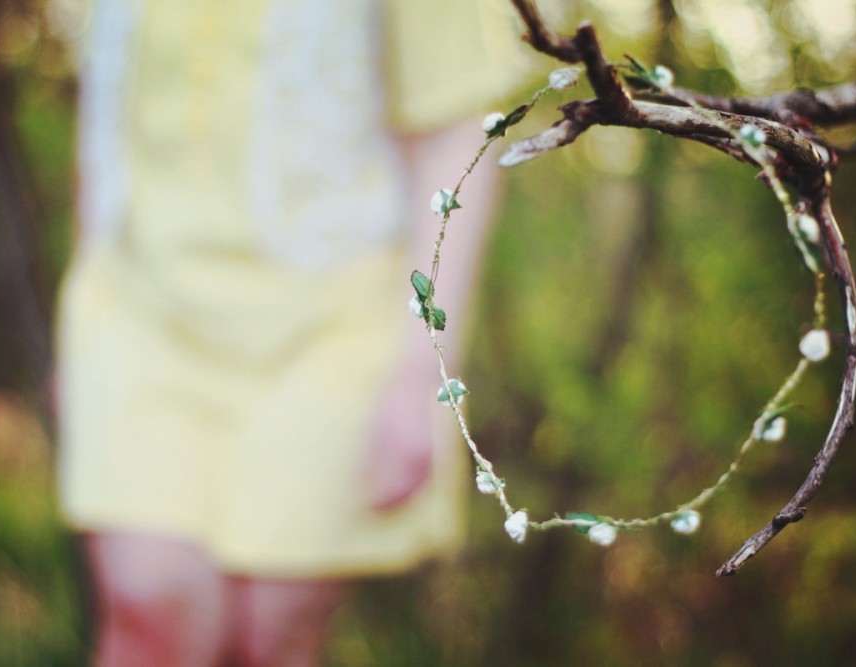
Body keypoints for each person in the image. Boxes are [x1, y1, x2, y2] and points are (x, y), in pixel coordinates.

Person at [56, 0, 521, 664]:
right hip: (140, 305)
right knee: (151, 600)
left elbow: (455, 133)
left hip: (334, 322)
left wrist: (423, 368)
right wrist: (83, 310)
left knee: (271, 629)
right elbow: (104, 103)